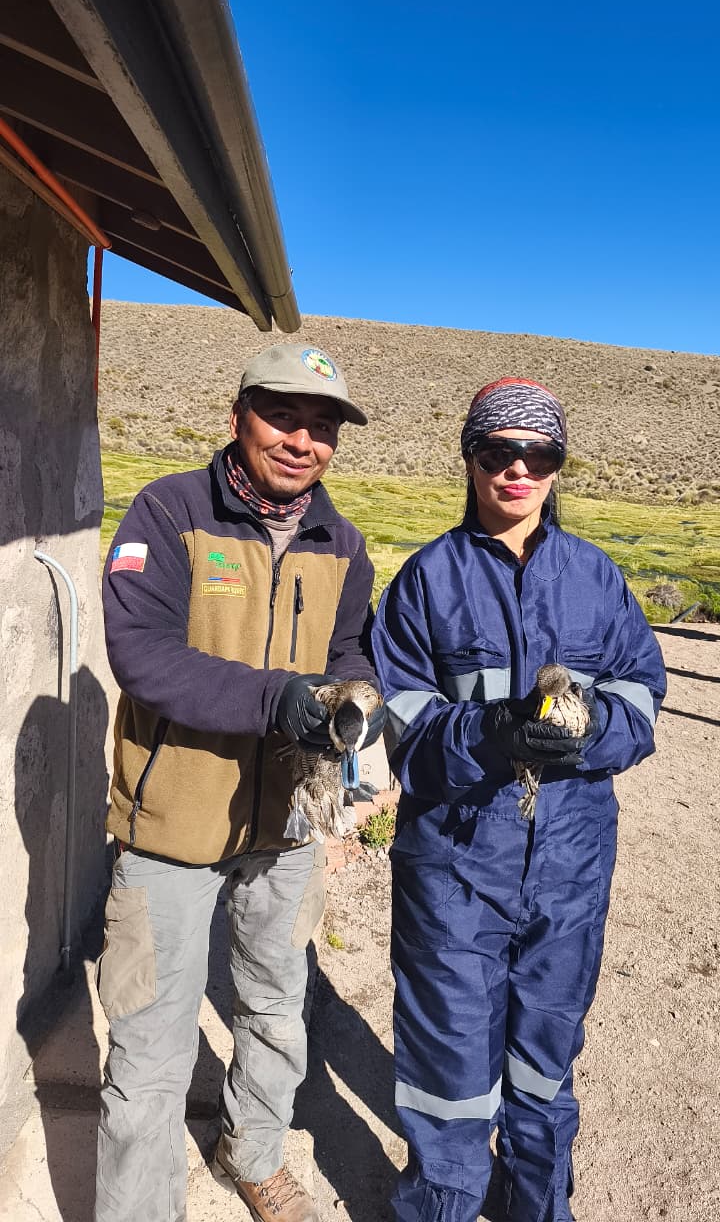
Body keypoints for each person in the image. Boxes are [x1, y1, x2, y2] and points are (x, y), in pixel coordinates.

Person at [96, 343, 385, 1222]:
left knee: (274, 1007)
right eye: (284, 416)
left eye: (323, 426)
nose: (304, 440)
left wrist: (355, 708)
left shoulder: (345, 542)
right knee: (148, 1044)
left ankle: (250, 1154)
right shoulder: (169, 510)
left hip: (289, 826)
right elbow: (140, 655)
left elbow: (353, 655)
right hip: (171, 822)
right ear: (238, 416)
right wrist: (277, 701)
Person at [371, 377, 666, 1222]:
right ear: (470, 458)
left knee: (544, 1062)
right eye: (498, 451)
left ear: (556, 468)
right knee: (451, 1076)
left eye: (538, 455)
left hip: (571, 867)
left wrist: (590, 732)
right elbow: (402, 727)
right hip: (454, 866)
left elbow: (644, 697)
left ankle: (538, 1205)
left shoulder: (596, 576)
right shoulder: (427, 579)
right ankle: (444, 1207)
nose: (517, 470)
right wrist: (490, 733)